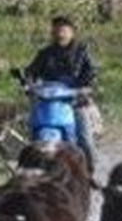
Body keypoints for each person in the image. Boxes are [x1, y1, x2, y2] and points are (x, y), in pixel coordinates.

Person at [23, 14, 99, 173]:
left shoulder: (82, 51)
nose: (59, 34)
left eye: (63, 30)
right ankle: (26, 168)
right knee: (30, 132)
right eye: (56, 30)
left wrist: (85, 87)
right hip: (48, 100)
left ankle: (90, 173)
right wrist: (28, 83)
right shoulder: (45, 53)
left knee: (84, 138)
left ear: (72, 32)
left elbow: (91, 71)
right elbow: (31, 71)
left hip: (75, 99)